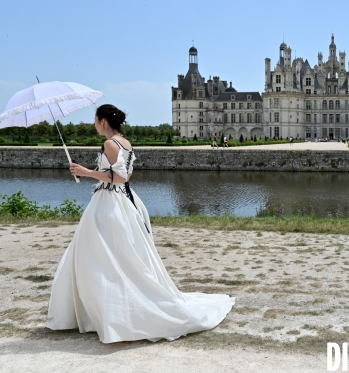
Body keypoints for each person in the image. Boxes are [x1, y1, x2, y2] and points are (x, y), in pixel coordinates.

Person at [46, 104, 234, 343]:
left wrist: (86, 172)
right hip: (123, 199)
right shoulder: (125, 143)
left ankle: (105, 312)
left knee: (99, 256)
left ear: (103, 121)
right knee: (120, 255)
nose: (94, 124)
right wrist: (94, 172)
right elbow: (126, 175)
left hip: (110, 204)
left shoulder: (110, 144)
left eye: (95, 120)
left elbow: (120, 177)